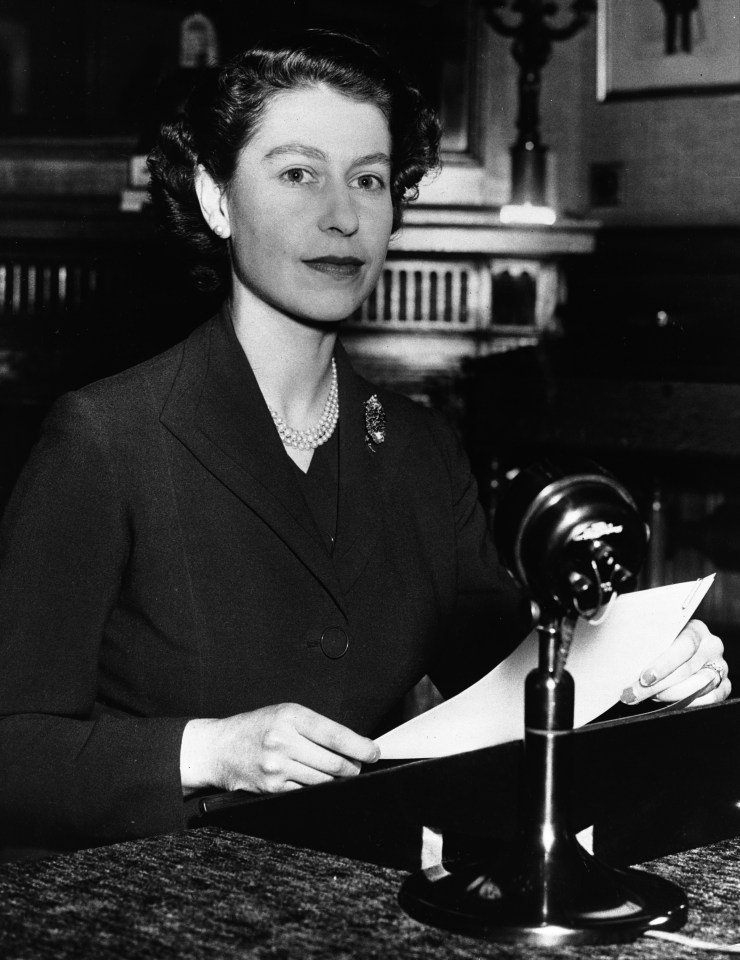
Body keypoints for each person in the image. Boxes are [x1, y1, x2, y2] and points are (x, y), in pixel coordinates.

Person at [0, 30, 729, 859]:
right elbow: (13, 750)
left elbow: (509, 685)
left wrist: (634, 675)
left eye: (371, 180)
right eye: (298, 173)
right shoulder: (104, 437)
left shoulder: (421, 448)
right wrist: (209, 750)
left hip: (366, 894)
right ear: (216, 199)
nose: (342, 216)